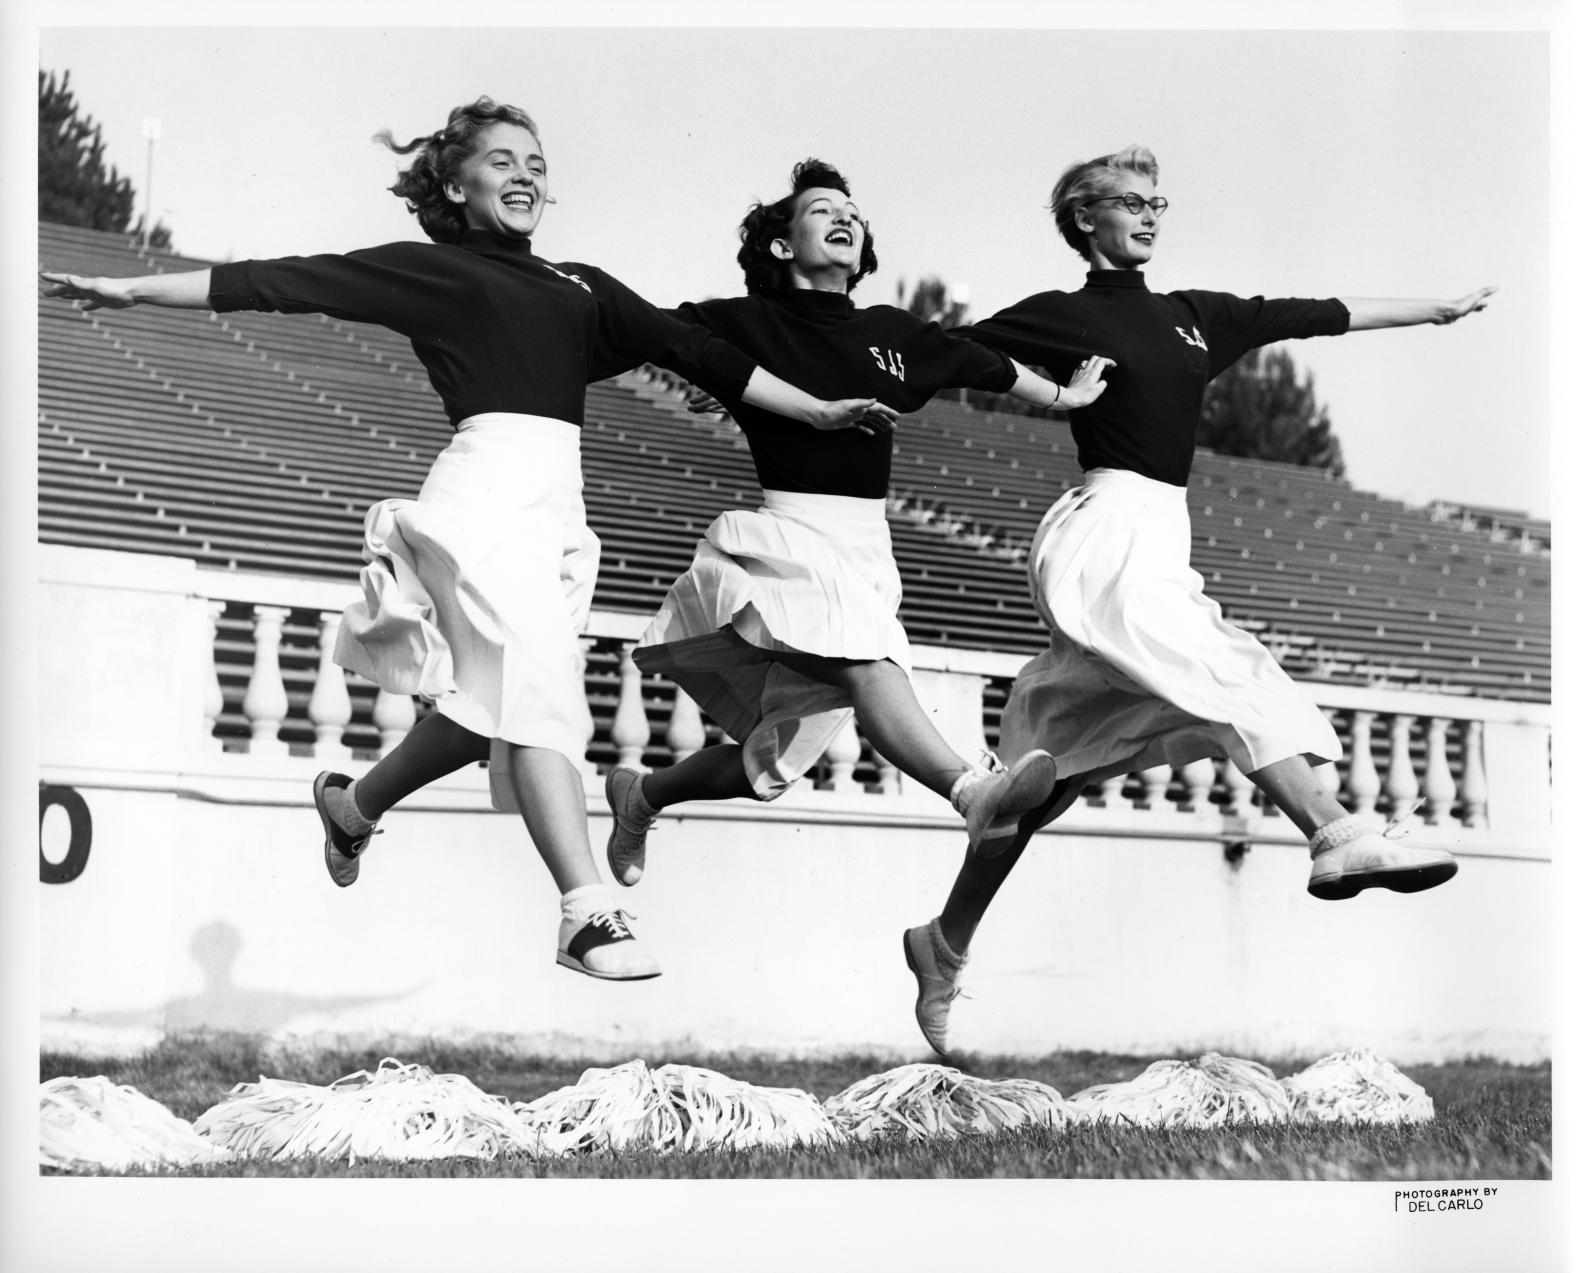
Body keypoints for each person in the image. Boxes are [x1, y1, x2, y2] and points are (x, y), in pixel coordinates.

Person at [41, 99, 896, 984]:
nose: (525, 174)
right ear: (456, 185)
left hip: (556, 511)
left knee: (492, 707)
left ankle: (353, 805)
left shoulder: (582, 287)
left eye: (536, 162)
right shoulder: (436, 271)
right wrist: (133, 289)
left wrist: (817, 410)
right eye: (501, 160)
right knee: (542, 689)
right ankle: (584, 908)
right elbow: (283, 279)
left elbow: (701, 354)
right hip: (483, 496)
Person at [901, 144, 1495, 1055]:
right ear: (1085, 219)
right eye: (1130, 202)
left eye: (1157, 203)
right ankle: (1335, 831)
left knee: (1044, 777)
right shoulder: (1060, 314)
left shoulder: (1194, 316)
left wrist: (1437, 309)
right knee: (1222, 668)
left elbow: (1318, 314)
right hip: (1103, 532)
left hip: (1161, 538)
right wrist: (806, 397)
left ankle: (943, 943)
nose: (1149, 215)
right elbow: (935, 354)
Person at [600, 159, 1113, 891]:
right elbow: (646, 330)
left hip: (867, 552)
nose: (844, 217)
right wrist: (716, 378)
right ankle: (972, 791)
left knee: (767, 766)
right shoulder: (745, 322)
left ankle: (640, 796)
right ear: (782, 245)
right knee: (873, 665)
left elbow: (986, 365)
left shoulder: (891, 332)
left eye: (851, 211)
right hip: (785, 540)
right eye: (821, 209)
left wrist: (1065, 397)